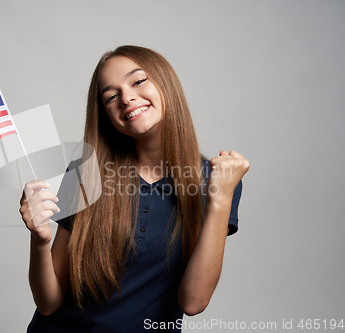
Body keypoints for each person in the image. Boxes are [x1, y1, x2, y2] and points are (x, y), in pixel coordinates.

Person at [19, 45, 250, 332]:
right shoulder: (86, 172)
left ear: (165, 83)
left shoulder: (216, 180)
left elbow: (194, 302)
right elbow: (48, 303)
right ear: (106, 114)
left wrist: (220, 198)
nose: (126, 98)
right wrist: (40, 241)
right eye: (111, 97)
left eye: (138, 81)